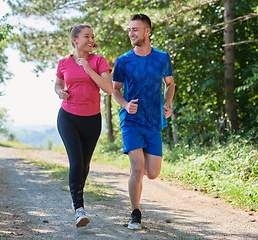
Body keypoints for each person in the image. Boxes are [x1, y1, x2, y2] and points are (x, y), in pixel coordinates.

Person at [112, 14, 175, 230]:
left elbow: (170, 84)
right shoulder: (123, 61)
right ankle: (135, 213)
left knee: (153, 173)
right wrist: (125, 104)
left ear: (147, 31)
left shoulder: (162, 57)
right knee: (137, 169)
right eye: (130, 29)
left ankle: (136, 204)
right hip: (131, 121)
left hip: (154, 121)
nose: (131, 33)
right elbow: (115, 90)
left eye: (135, 30)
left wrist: (167, 104)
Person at [55, 24, 113, 227]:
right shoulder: (63, 63)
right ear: (75, 40)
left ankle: (78, 201)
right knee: (76, 162)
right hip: (68, 116)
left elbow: (108, 88)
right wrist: (59, 92)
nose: (91, 40)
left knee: (85, 165)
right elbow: (58, 84)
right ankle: (78, 208)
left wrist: (87, 68)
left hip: (92, 119)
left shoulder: (99, 61)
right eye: (86, 36)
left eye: (92, 36)